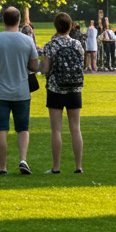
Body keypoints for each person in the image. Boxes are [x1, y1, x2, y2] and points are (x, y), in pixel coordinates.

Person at [0, 6, 40, 175]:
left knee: (1, 129)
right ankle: (23, 159)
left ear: (3, 20)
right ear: (18, 21)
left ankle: (3, 167)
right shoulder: (27, 40)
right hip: (21, 92)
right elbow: (35, 66)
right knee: (22, 128)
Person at [40, 12, 85, 174]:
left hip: (55, 89)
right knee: (75, 128)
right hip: (74, 89)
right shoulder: (78, 45)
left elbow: (45, 69)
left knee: (56, 130)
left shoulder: (50, 45)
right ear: (70, 26)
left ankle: (56, 167)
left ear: (55, 26)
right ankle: (78, 166)